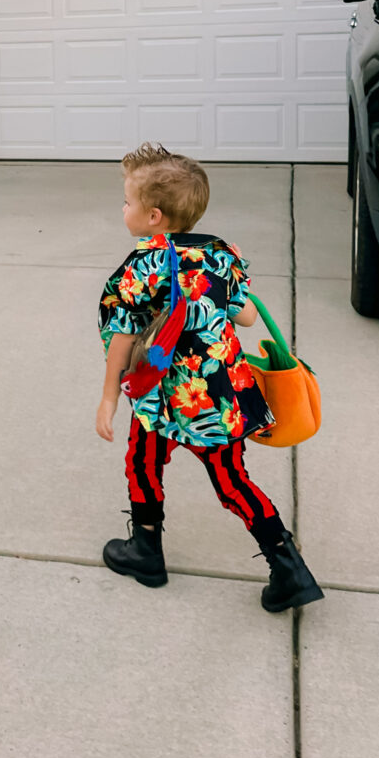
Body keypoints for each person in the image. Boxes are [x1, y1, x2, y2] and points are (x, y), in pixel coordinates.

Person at [95, 143, 322, 613]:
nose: (123, 209)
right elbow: (245, 317)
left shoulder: (143, 267)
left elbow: (123, 336)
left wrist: (109, 398)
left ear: (153, 216)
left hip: (163, 396)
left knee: (143, 463)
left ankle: (146, 550)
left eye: (126, 202)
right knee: (232, 480)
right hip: (219, 395)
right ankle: (288, 567)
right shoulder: (220, 255)